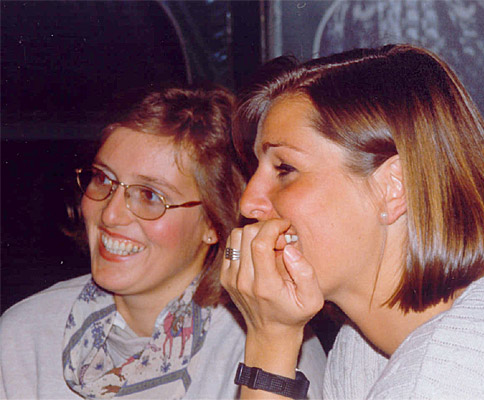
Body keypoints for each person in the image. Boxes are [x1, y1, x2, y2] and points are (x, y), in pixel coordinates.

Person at [220, 44, 484, 399]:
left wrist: (270, 341)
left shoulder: (454, 373)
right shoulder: (361, 350)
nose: (248, 203)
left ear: (394, 187)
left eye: (285, 169)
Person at [0, 85, 326, 399]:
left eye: (150, 196)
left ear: (213, 222)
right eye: (102, 178)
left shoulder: (270, 346)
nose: (110, 214)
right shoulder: (26, 335)